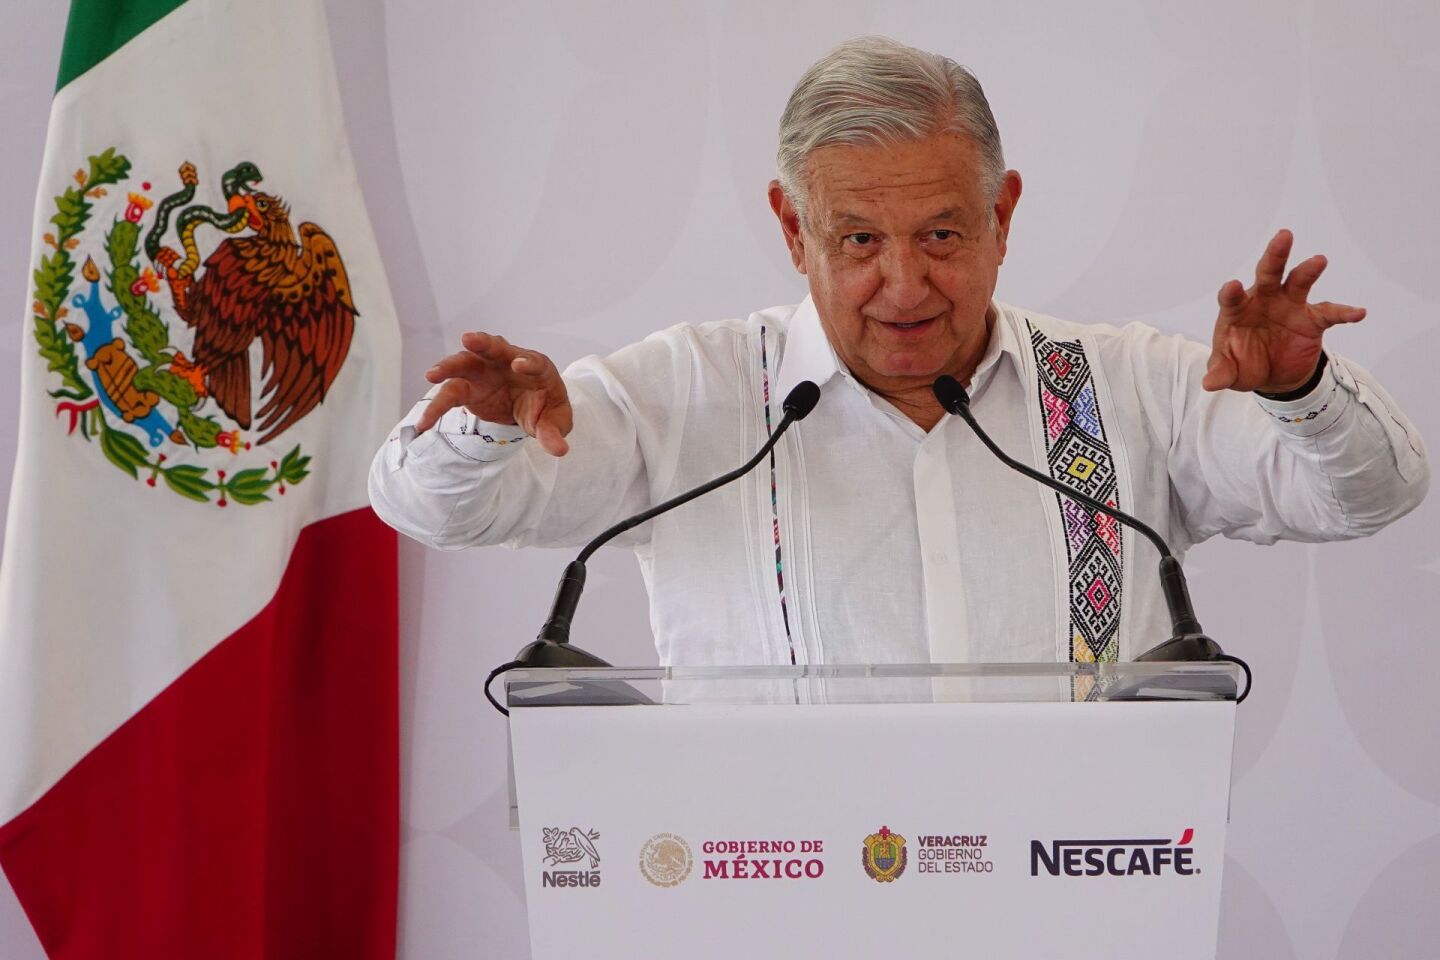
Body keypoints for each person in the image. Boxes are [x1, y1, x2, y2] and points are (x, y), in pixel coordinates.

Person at [369, 36, 1428, 667]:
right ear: (793, 231)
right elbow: (432, 509)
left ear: (1004, 215)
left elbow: (1369, 496)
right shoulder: (685, 394)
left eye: (944, 235)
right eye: (860, 241)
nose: (908, 285)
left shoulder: (1135, 385)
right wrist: (481, 429)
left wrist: (1300, 393)